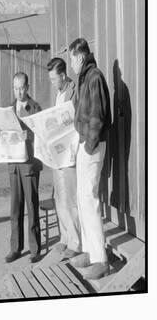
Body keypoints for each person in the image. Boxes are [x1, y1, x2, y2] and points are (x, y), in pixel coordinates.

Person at [68, 38, 111, 280]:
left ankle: (100, 260)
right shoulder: (85, 77)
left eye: (72, 59)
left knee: (90, 199)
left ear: (80, 57)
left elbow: (98, 116)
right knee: (82, 199)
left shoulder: (94, 77)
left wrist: (89, 145)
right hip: (86, 144)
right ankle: (88, 250)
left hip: (92, 147)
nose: (71, 64)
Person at [3, 72, 42, 264]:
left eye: (21, 88)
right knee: (15, 208)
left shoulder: (35, 108)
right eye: (15, 88)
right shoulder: (8, 109)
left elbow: (42, 135)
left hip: (29, 165)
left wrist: (31, 136)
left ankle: (35, 249)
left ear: (27, 87)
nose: (18, 92)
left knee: (32, 206)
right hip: (13, 164)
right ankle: (15, 248)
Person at [47, 57, 81, 260]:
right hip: (57, 152)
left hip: (69, 151)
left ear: (62, 75)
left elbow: (75, 119)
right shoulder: (58, 93)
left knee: (70, 198)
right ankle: (65, 237)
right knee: (59, 197)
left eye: (53, 79)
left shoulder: (73, 90)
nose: (52, 83)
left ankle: (76, 241)